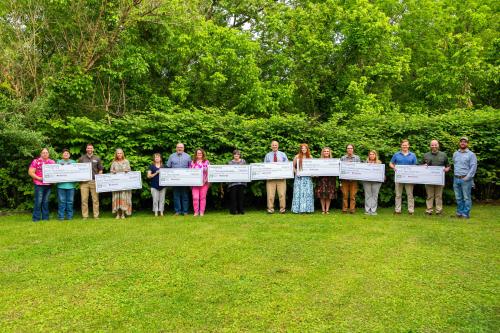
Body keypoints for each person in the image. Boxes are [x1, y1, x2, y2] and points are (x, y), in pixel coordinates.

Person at [422, 140, 451, 215]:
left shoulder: (443, 155)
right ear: (430, 146)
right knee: (429, 195)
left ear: (438, 145)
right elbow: (421, 166)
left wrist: (447, 169)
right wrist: (423, 166)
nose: (434, 146)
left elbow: (448, 165)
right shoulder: (426, 155)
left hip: (439, 179)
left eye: (435, 145)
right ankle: (429, 210)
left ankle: (439, 211)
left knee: (439, 196)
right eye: (432, 145)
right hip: (428, 179)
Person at [389, 139, 417, 215]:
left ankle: (411, 211)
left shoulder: (413, 155)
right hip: (399, 177)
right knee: (398, 195)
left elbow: (415, 166)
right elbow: (391, 163)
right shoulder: (396, 154)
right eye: (403, 145)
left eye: (406, 145)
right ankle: (397, 210)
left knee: (410, 194)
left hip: (409, 178)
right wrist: (393, 167)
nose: (405, 146)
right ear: (401, 146)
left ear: (408, 146)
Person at [452, 137, 477, 219]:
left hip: (466, 179)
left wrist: (467, 178)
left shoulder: (471, 154)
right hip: (456, 178)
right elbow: (454, 164)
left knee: (466, 197)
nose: (463, 143)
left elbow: (473, 168)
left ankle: (465, 214)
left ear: (467, 144)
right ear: (459, 143)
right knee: (458, 197)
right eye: (461, 141)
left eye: (465, 142)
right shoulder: (455, 153)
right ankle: (459, 212)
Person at [28, 148, 55, 222]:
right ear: (40, 154)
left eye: (46, 152)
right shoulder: (36, 161)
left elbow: (55, 173)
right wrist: (39, 178)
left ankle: (45, 218)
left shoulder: (52, 162)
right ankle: (36, 218)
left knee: (46, 201)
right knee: (38, 201)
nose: (45, 154)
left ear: (48, 154)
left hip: (48, 184)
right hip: (39, 184)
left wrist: (54, 180)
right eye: (43, 152)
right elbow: (30, 172)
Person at [78, 143, 103, 219]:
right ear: (86, 149)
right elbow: (77, 170)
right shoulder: (81, 158)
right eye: (88, 148)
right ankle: (85, 216)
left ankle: (96, 216)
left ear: (93, 149)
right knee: (84, 200)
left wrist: (99, 177)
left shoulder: (97, 158)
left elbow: (100, 170)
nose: (89, 149)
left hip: (94, 181)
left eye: (91, 148)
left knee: (95, 200)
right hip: (84, 183)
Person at [166, 143, 191, 216]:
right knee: (176, 196)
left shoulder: (188, 156)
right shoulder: (171, 156)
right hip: (175, 180)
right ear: (176, 148)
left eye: (181, 147)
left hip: (185, 180)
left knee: (185, 196)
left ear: (183, 148)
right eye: (178, 147)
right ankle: (177, 211)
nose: (180, 148)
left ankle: (185, 212)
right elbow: (168, 167)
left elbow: (190, 168)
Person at [264, 140, 289, 214]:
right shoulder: (267, 155)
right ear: (271, 146)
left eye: (276, 145)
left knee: (282, 194)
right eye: (273, 145)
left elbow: (287, 165)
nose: (274, 146)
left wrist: (284, 175)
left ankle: (282, 209)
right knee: (270, 195)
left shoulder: (283, 154)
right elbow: (264, 167)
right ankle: (270, 209)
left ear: (278, 146)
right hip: (270, 179)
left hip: (281, 178)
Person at [291, 144, 314, 214]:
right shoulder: (297, 156)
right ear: (300, 149)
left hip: (307, 178)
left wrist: (312, 173)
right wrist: (296, 172)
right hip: (299, 178)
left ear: (307, 149)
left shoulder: (310, 157)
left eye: (305, 148)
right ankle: (297, 209)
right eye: (302, 148)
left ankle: (307, 209)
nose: (303, 149)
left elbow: (313, 167)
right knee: (299, 192)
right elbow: (292, 167)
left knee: (307, 193)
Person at [110, 148, 132, 219]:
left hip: (125, 184)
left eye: (120, 153)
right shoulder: (114, 162)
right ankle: (117, 214)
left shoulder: (126, 161)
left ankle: (123, 214)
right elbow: (111, 171)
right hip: (116, 184)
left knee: (123, 198)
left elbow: (130, 171)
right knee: (117, 197)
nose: (119, 154)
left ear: (122, 154)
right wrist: (112, 172)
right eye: (118, 153)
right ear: (116, 154)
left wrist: (127, 171)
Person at [315, 147, 337, 214]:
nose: (326, 152)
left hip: (330, 179)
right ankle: (323, 209)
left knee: (329, 194)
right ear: (323, 152)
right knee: (322, 194)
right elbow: (316, 169)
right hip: (321, 179)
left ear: (329, 152)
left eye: (327, 151)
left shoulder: (333, 161)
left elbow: (336, 170)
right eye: (325, 151)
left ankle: (327, 210)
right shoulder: (319, 160)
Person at [340, 144, 361, 214]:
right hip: (344, 180)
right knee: (345, 195)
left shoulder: (357, 158)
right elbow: (340, 168)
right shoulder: (343, 158)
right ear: (346, 149)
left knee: (353, 196)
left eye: (351, 148)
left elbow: (359, 168)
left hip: (354, 180)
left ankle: (352, 210)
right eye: (348, 148)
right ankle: (344, 209)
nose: (350, 149)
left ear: (353, 149)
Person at [56, 149, 76, 220]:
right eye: (64, 153)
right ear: (62, 155)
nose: (66, 154)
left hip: (71, 186)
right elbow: (54, 172)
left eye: (67, 153)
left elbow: (77, 172)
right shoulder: (58, 162)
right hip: (61, 186)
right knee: (61, 202)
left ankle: (69, 216)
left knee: (70, 202)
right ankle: (61, 216)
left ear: (69, 155)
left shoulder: (73, 162)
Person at [362, 150, 383, 215]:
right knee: (368, 195)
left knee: (375, 195)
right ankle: (367, 210)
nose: (371, 155)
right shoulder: (365, 162)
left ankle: (373, 210)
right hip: (367, 181)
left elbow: (381, 172)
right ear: (369, 155)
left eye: (373, 154)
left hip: (376, 181)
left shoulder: (379, 163)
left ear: (375, 155)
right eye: (370, 154)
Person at [190, 149, 210, 216]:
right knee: (195, 198)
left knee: (203, 198)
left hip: (204, 183)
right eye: (198, 153)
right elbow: (190, 172)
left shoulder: (206, 162)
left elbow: (209, 173)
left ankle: (201, 212)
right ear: (196, 154)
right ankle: (196, 212)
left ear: (203, 154)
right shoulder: (192, 162)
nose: (199, 154)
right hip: (194, 183)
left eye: (200, 153)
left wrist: (206, 181)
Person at [227, 150, 247, 215]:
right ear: (233, 155)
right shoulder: (230, 162)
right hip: (233, 183)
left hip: (241, 182)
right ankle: (233, 211)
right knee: (233, 197)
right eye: (235, 154)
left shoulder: (243, 161)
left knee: (241, 197)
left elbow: (246, 170)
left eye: (238, 154)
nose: (236, 155)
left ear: (239, 155)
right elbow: (229, 172)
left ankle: (241, 210)